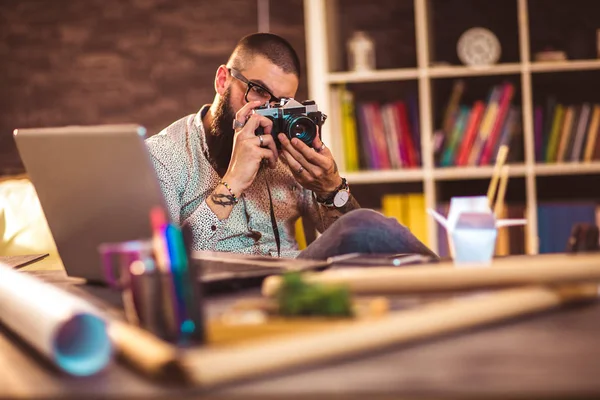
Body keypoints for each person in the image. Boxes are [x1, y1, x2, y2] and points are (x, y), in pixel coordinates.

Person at [145, 32, 436, 260]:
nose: (265, 111)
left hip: (299, 284)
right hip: (221, 290)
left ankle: (458, 296)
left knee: (363, 225)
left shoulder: (286, 142)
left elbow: (346, 238)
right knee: (365, 225)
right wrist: (232, 182)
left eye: (280, 103)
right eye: (258, 91)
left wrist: (331, 187)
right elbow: (163, 263)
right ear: (223, 80)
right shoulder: (163, 157)